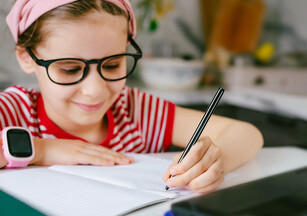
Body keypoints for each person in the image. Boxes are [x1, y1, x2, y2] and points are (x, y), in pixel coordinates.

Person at [1, 0, 263, 193]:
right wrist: (42, 149)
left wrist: (217, 158)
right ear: (27, 57)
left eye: (113, 64)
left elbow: (248, 134)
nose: (95, 90)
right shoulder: (15, 110)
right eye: (70, 69)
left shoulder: (136, 111)